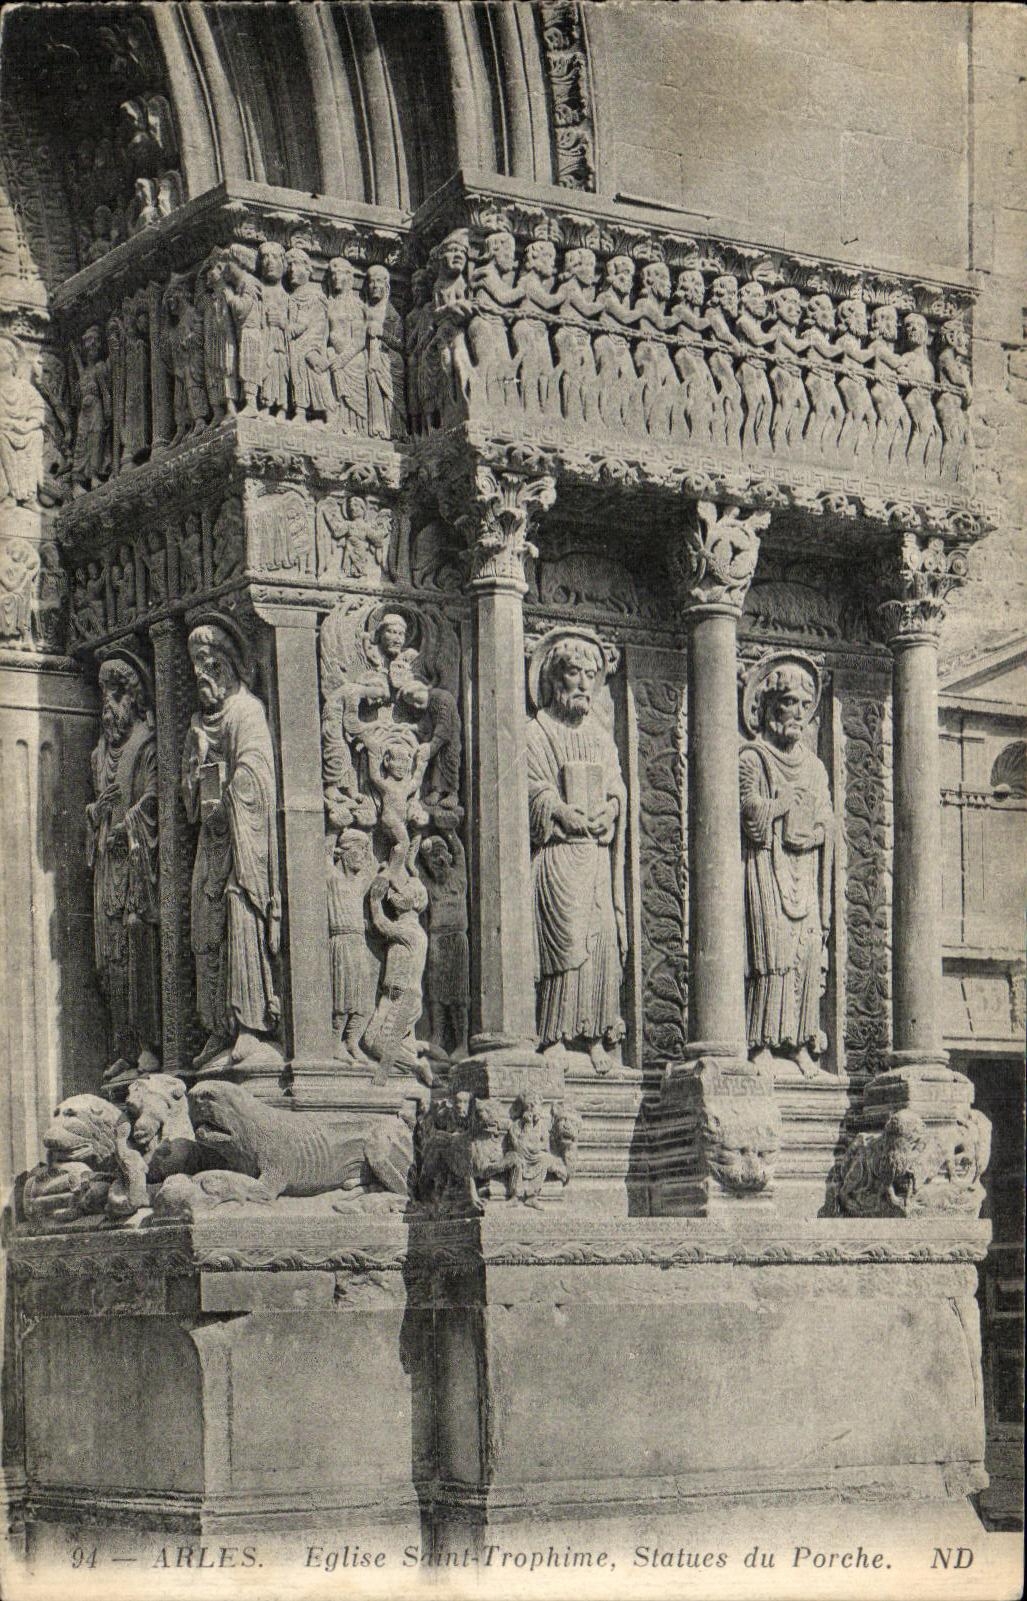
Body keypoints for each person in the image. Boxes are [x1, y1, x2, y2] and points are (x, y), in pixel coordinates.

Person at [181, 622, 282, 1071]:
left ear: (227, 666)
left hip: (244, 838)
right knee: (205, 924)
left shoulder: (247, 711)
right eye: (197, 667)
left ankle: (250, 1024)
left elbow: (256, 775)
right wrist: (199, 760)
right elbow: (192, 802)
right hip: (214, 835)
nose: (203, 674)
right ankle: (217, 1026)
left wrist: (224, 787)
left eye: (210, 665)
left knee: (241, 915)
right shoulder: (198, 724)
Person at [526, 632, 627, 1075]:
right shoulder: (537, 730)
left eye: (591, 676)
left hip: (594, 854)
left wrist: (612, 809)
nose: (583, 684)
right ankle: (553, 1034)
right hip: (558, 854)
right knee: (564, 942)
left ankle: (592, 1036)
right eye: (574, 674)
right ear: (553, 679)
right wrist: (558, 810)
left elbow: (617, 786)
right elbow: (529, 786)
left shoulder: (601, 735)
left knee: (600, 939)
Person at [740, 658, 834, 1076]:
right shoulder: (753, 757)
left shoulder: (814, 767)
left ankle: (798, 1042)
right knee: (770, 954)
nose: (795, 712)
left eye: (803, 705)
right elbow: (748, 810)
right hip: (764, 868)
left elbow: (828, 819)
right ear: (767, 707)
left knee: (806, 954)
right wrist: (780, 807)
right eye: (787, 702)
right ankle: (760, 1042)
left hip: (805, 870)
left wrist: (817, 831)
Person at [86, 655, 161, 1073]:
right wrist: (98, 813)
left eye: (118, 695)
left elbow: (153, 798)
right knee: (109, 958)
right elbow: (94, 810)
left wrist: (127, 822)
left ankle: (150, 1044)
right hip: (107, 869)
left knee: (139, 949)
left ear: (135, 699)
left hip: (135, 865)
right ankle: (124, 1047)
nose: (109, 706)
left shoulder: (146, 743)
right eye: (105, 697)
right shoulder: (99, 754)